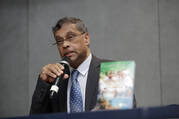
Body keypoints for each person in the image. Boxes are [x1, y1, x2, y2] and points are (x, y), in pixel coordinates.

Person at [30, 17, 136, 114]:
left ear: (86, 38)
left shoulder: (113, 72)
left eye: (70, 37)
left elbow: (124, 115)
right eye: (59, 41)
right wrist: (43, 83)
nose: (64, 45)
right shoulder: (57, 81)